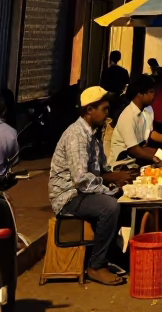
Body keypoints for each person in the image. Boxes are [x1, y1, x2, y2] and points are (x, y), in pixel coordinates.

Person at [48, 87, 136, 286]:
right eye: (104, 109)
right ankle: (96, 266)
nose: (107, 114)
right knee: (109, 206)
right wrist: (109, 190)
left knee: (126, 200)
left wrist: (118, 181)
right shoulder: (76, 136)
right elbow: (81, 179)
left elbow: (101, 171)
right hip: (68, 197)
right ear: (89, 110)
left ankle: (114, 254)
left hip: (84, 191)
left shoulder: (93, 135)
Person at [108, 74, 162, 167]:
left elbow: (150, 134)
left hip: (137, 159)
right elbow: (134, 150)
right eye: (151, 92)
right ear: (140, 94)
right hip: (123, 164)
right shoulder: (127, 116)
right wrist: (159, 156)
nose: (154, 95)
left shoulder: (148, 110)